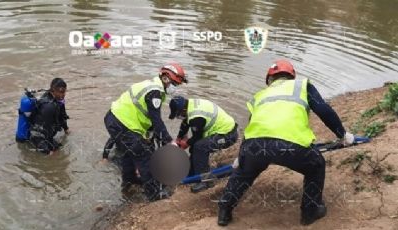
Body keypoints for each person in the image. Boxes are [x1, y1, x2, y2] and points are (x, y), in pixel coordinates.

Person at [217, 60, 355, 226]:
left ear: (269, 79)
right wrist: (342, 135)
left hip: (254, 145)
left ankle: (224, 211)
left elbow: (252, 127)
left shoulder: (260, 95)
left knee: (243, 174)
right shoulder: (302, 86)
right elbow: (323, 109)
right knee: (316, 165)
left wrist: (241, 157)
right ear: (291, 76)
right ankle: (310, 212)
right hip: (291, 146)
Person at [101, 63, 188, 201]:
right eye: (174, 84)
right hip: (122, 123)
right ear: (166, 78)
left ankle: (129, 183)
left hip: (114, 119)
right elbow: (156, 120)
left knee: (129, 154)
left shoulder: (151, 86)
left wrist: (154, 137)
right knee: (145, 156)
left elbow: (149, 120)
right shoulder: (155, 92)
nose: (174, 87)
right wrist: (170, 141)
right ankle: (154, 195)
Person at [169, 96, 238, 193]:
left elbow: (197, 137)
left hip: (228, 135)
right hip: (222, 131)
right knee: (196, 147)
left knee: (200, 147)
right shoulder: (190, 106)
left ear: (183, 110)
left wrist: (186, 143)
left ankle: (206, 181)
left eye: (178, 114)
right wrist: (179, 138)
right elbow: (185, 123)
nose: (178, 117)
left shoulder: (196, 117)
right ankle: (192, 173)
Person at [29, 78, 70, 155]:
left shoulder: (59, 99)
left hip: (46, 132)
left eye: (64, 91)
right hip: (38, 136)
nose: (63, 94)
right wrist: (48, 149)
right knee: (52, 155)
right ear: (53, 90)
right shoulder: (49, 107)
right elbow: (46, 128)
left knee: (60, 149)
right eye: (61, 92)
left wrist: (66, 129)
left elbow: (62, 115)